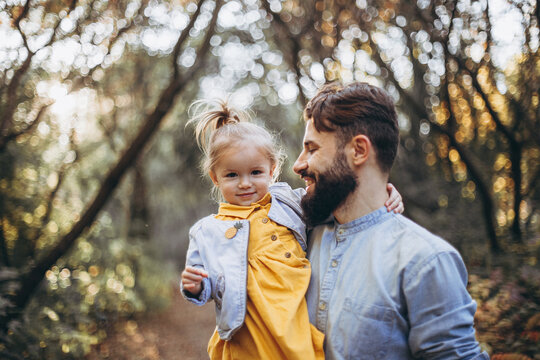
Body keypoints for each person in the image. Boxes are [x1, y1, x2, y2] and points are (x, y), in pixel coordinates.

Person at [180, 99, 403, 359]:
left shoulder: (289, 202)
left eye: (255, 172)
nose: (244, 183)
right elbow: (207, 287)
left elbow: (338, 202)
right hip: (247, 338)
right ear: (215, 178)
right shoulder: (207, 231)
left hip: (294, 328)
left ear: (272, 171)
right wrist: (195, 287)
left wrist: (382, 193)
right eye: (232, 175)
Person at [293, 81, 489, 359]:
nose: (298, 164)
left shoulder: (425, 261)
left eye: (312, 149)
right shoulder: (299, 235)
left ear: (359, 150)